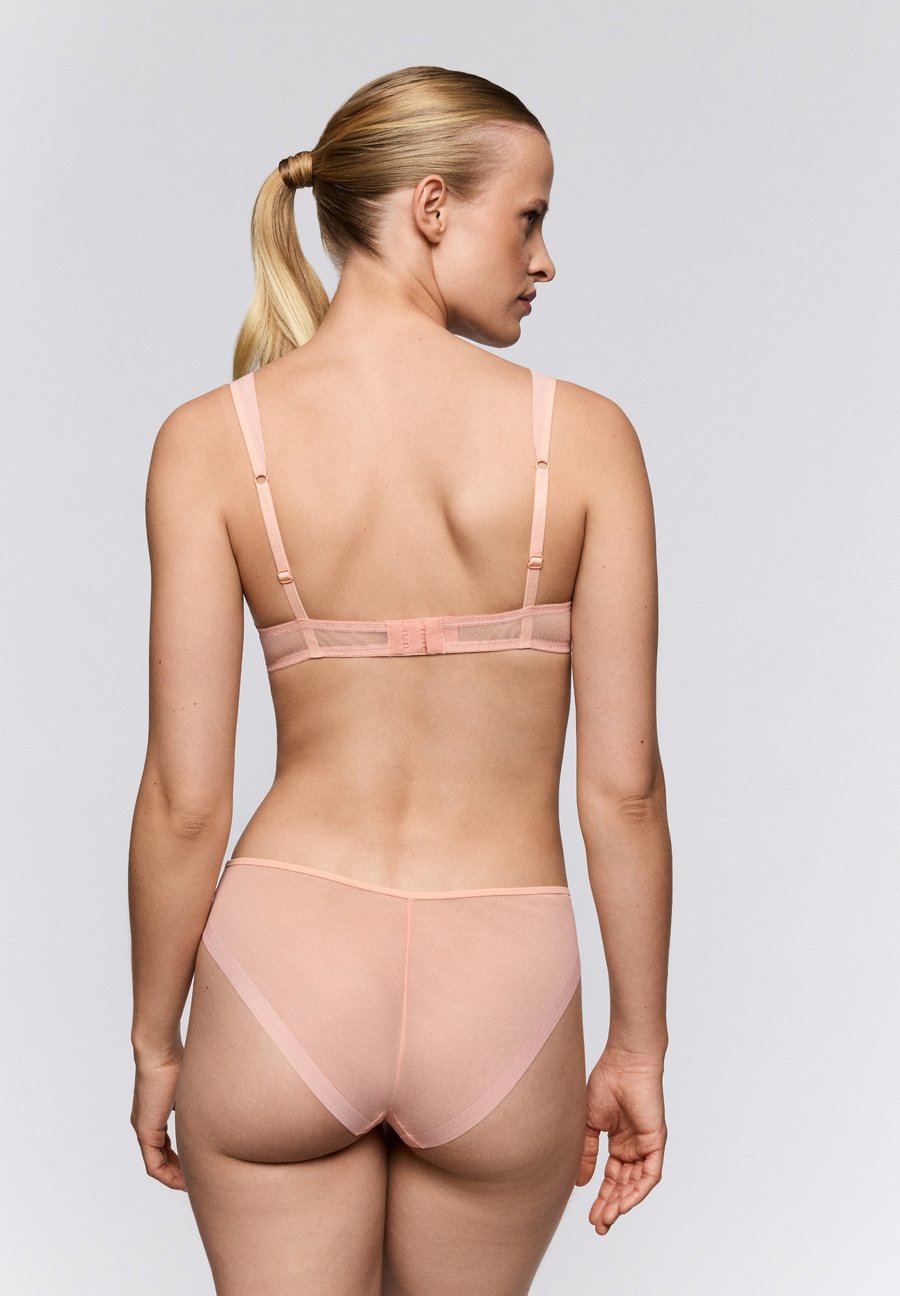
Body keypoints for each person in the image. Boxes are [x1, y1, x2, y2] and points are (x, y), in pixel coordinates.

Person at [128, 64, 672, 1295]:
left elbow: (184, 801)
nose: (544, 261)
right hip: (504, 977)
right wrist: (638, 1044)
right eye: (527, 218)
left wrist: (157, 1040)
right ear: (431, 208)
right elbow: (624, 791)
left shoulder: (210, 443)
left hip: (287, 968)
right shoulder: (588, 440)